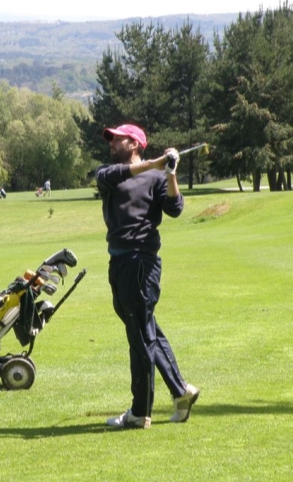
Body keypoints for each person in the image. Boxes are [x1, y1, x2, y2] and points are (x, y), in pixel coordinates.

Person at [95, 123, 199, 429]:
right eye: (112, 139)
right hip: (119, 262)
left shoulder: (157, 177)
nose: (112, 142)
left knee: (139, 335)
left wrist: (170, 171)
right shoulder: (108, 174)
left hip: (140, 261)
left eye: (118, 138)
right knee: (144, 327)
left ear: (135, 143)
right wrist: (155, 163)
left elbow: (175, 208)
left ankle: (140, 412)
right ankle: (181, 391)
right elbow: (111, 176)